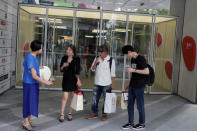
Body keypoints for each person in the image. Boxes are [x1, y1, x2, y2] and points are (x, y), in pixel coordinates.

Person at [22, 40, 53, 131]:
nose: (42, 49)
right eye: (41, 48)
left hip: (32, 84)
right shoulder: (31, 58)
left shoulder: (30, 55)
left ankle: (28, 120)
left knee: (31, 102)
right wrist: (46, 82)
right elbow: (34, 76)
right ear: (37, 49)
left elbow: (29, 66)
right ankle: (25, 122)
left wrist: (38, 67)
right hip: (29, 84)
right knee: (27, 103)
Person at [121, 45, 149, 130]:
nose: (126, 56)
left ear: (129, 52)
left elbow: (146, 71)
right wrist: (129, 84)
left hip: (139, 86)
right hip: (132, 85)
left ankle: (142, 123)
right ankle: (130, 122)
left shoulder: (141, 58)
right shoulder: (132, 59)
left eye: (126, 55)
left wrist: (133, 70)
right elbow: (134, 74)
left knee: (140, 105)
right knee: (130, 105)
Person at [87, 44, 116, 121]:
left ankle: (104, 114)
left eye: (101, 52)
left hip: (107, 84)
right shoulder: (97, 58)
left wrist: (112, 85)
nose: (99, 53)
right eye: (99, 52)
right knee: (94, 99)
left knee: (106, 100)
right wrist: (95, 64)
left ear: (105, 52)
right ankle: (94, 113)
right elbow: (92, 69)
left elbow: (113, 74)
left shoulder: (111, 60)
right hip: (97, 83)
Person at [59, 44, 82, 122]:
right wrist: (63, 65)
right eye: (67, 49)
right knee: (65, 97)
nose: (67, 51)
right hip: (66, 79)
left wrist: (78, 80)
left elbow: (78, 70)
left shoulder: (77, 59)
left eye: (69, 50)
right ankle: (62, 114)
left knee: (72, 97)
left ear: (73, 52)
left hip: (73, 80)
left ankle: (70, 113)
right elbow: (61, 70)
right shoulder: (64, 58)